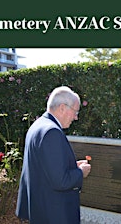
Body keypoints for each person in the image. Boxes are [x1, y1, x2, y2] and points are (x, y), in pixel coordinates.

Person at [16, 86, 91, 223]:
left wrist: (72, 166)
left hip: (40, 209)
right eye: (75, 112)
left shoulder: (38, 125)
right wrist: (80, 172)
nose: (76, 117)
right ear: (62, 107)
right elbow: (61, 181)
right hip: (54, 214)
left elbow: (45, 168)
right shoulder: (52, 132)